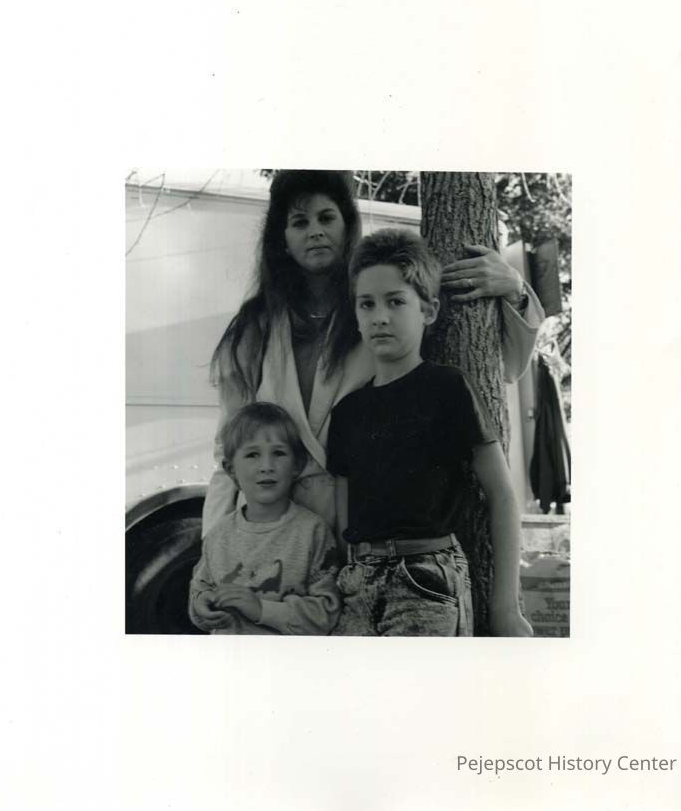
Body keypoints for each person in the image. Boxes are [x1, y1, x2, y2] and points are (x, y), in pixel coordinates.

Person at [203, 170, 545, 542]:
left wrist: (516, 291)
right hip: (267, 535)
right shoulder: (255, 326)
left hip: (359, 529)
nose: (315, 231)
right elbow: (228, 448)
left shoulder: (376, 311)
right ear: (282, 240)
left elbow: (505, 368)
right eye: (299, 222)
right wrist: (214, 550)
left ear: (348, 226)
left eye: (326, 218)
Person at [327, 228, 533, 637]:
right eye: (367, 304)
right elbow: (342, 516)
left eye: (396, 301)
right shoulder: (347, 411)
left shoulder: (448, 388)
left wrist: (505, 606)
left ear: (429, 311)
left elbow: (502, 495)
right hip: (357, 584)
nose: (379, 316)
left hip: (425, 579)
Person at [189, 402, 340, 635]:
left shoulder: (313, 532)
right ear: (231, 469)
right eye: (252, 455)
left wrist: (261, 610)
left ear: (297, 465)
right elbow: (199, 592)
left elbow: (326, 614)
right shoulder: (218, 535)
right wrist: (202, 606)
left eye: (278, 453)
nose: (266, 466)